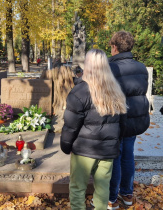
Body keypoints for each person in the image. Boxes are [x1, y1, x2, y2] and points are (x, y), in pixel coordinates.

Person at [60, 49, 127, 210]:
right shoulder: (116, 91)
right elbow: (122, 124)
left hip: (84, 151)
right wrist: (116, 143)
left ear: (87, 66)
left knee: (77, 188)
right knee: (103, 189)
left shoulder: (79, 92)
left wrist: (66, 146)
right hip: (107, 151)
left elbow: (70, 125)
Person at [108, 31, 150, 209]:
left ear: (115, 47)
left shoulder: (111, 67)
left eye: (111, 46)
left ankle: (111, 198)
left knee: (115, 158)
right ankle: (126, 194)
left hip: (116, 119)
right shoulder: (141, 67)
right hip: (134, 119)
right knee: (128, 156)